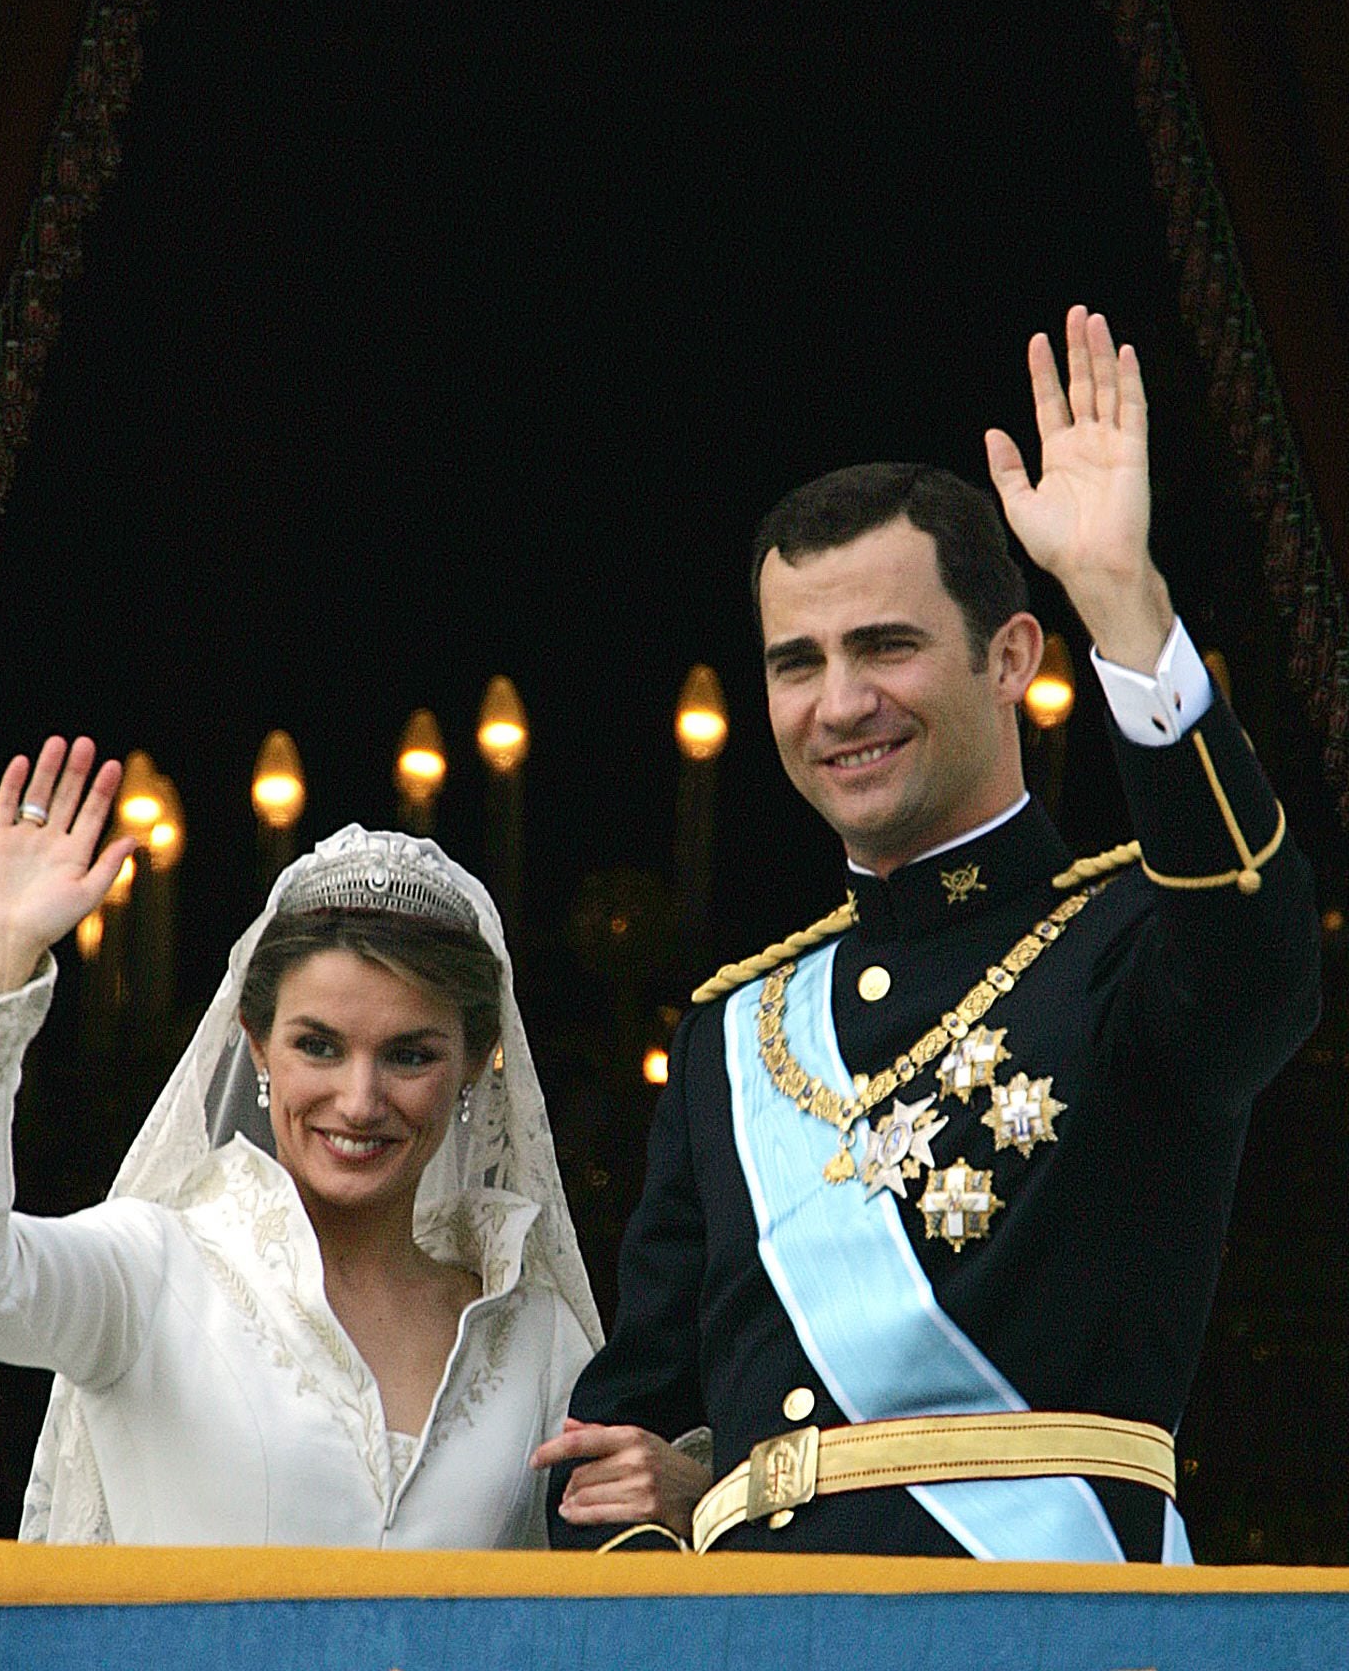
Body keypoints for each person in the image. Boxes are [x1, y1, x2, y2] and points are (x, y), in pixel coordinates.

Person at [539, 307, 1320, 1561]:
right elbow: (610, 1448)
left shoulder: (1136, 938)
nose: (838, 703)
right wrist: (658, 1510)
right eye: (796, 661)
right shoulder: (730, 1033)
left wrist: (1122, 601)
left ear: (1008, 655)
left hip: (1052, 1629)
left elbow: (1260, 961)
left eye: (885, 646)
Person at [0, 745, 599, 1544]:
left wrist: (687, 1502)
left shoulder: (534, 1330)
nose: (360, 1100)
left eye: (409, 1055)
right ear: (257, 1043)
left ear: (476, 1062)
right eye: (319, 1046)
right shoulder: (152, 1269)